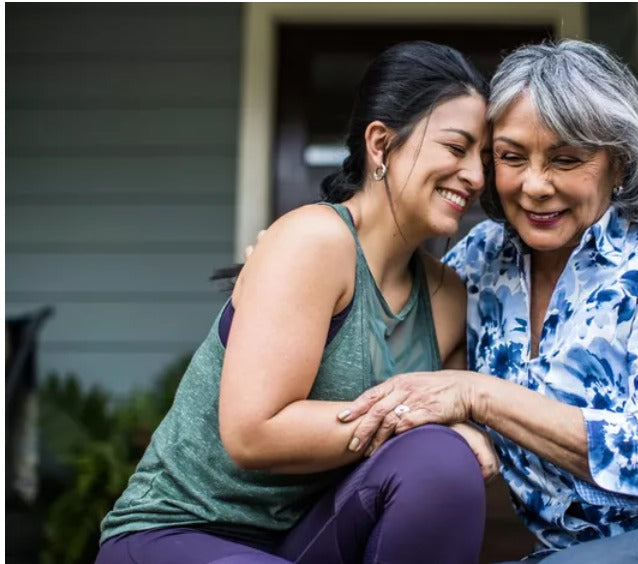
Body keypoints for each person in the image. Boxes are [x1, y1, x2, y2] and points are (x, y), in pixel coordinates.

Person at [338, 40, 638, 562]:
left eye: (566, 159)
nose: (535, 185)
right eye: (511, 157)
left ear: (620, 164)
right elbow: (405, 376)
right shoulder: (477, 263)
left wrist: (478, 396)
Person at [96, 41, 498, 564]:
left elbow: (447, 444)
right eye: (456, 148)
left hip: (308, 539)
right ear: (381, 144)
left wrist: (451, 429)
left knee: (441, 460)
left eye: (484, 158)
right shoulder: (315, 241)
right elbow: (253, 433)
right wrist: (414, 417)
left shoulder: (447, 298)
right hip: (180, 532)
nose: (477, 177)